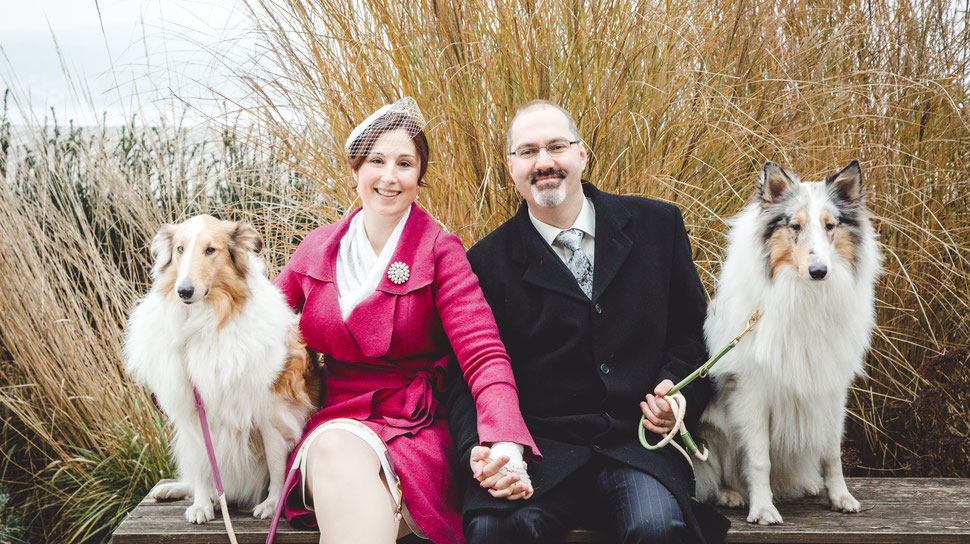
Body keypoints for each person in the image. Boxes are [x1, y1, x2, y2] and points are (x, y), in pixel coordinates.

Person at [447, 100, 730, 543]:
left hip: (638, 447)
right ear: (511, 167)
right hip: (541, 452)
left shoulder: (659, 226)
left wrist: (678, 395)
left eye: (556, 146)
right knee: (496, 529)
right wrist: (478, 451)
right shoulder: (485, 262)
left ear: (581, 154)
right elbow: (466, 375)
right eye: (527, 152)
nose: (544, 163)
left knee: (658, 528)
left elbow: (695, 336)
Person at [273, 98, 540, 544]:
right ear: (356, 169)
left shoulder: (439, 250)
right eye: (376, 161)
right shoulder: (315, 250)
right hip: (332, 421)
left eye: (405, 163)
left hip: (414, 430)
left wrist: (506, 443)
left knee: (360, 508)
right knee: (337, 454)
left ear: (420, 176)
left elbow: (483, 353)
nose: (390, 176)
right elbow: (257, 332)